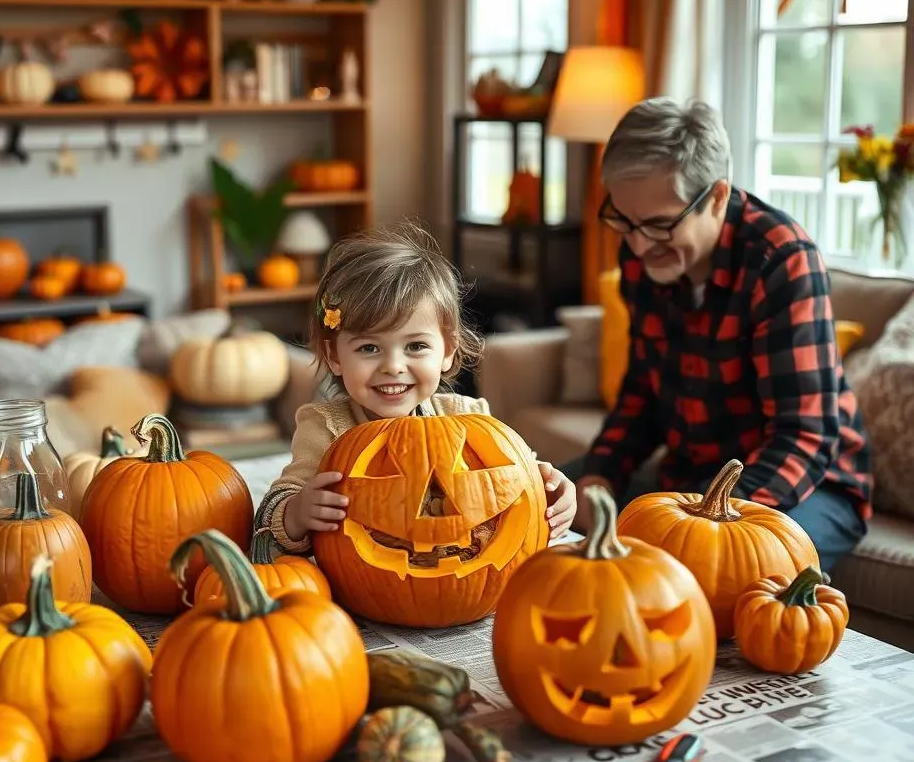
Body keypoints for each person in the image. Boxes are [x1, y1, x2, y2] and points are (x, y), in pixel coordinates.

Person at [561, 97, 872, 572]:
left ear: (719, 197)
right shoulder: (643, 254)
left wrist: (712, 523)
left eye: (661, 224)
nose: (640, 245)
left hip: (810, 482)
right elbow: (643, 391)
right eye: (624, 220)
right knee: (534, 501)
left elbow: (803, 436)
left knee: (722, 586)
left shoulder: (780, 259)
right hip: (690, 475)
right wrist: (601, 473)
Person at [255, 221, 577, 554]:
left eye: (415, 346)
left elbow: (518, 479)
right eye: (369, 348)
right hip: (361, 581)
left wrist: (551, 489)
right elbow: (270, 511)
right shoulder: (324, 428)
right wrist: (296, 513)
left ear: (447, 351)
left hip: (456, 571)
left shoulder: (470, 419)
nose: (393, 366)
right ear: (335, 356)